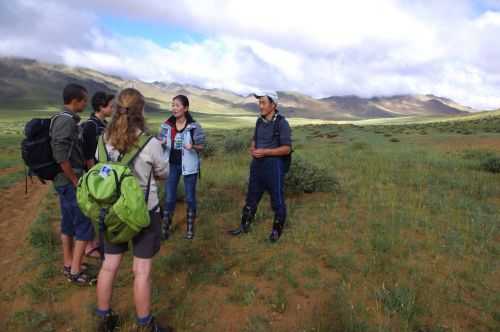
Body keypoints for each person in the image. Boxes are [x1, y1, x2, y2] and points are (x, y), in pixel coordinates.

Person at [94, 88, 171, 332]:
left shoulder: (103, 140)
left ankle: (104, 320)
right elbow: (164, 173)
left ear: (117, 109)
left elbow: (100, 169)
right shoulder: (151, 143)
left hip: (112, 213)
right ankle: (146, 324)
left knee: (109, 266)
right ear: (141, 111)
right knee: (142, 270)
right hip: (144, 214)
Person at [229, 92, 292, 242]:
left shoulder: (282, 123)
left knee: (277, 200)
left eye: (263, 103)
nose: (260, 106)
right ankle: (244, 226)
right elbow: (255, 139)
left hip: (274, 166)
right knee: (251, 197)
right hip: (257, 165)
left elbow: (287, 149)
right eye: (260, 103)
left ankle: (276, 231)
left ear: (273, 105)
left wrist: (265, 152)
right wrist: (253, 148)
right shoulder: (259, 121)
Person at [50, 83, 95, 285]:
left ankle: (69, 262)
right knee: (84, 223)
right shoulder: (65, 122)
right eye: (84, 100)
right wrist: (75, 180)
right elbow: (61, 156)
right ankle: (75, 271)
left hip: (65, 181)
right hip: (69, 181)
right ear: (75, 100)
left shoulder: (63, 119)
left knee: (68, 223)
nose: (86, 104)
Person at [158, 95, 205, 240]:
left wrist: (193, 146)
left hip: (189, 166)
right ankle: (165, 228)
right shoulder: (166, 125)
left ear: (185, 108)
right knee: (170, 197)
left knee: (190, 197)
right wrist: (160, 142)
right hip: (171, 165)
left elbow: (202, 146)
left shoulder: (194, 126)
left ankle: (190, 228)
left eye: (177, 105)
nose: (174, 108)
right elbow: (160, 140)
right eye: (172, 105)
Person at [81, 91, 114, 259]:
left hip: (105, 172)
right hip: (96, 175)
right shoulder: (90, 126)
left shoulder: (104, 124)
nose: (112, 108)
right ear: (101, 106)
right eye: (110, 105)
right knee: (93, 210)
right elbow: (88, 156)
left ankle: (101, 242)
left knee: (102, 209)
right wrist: (95, 178)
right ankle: (91, 246)